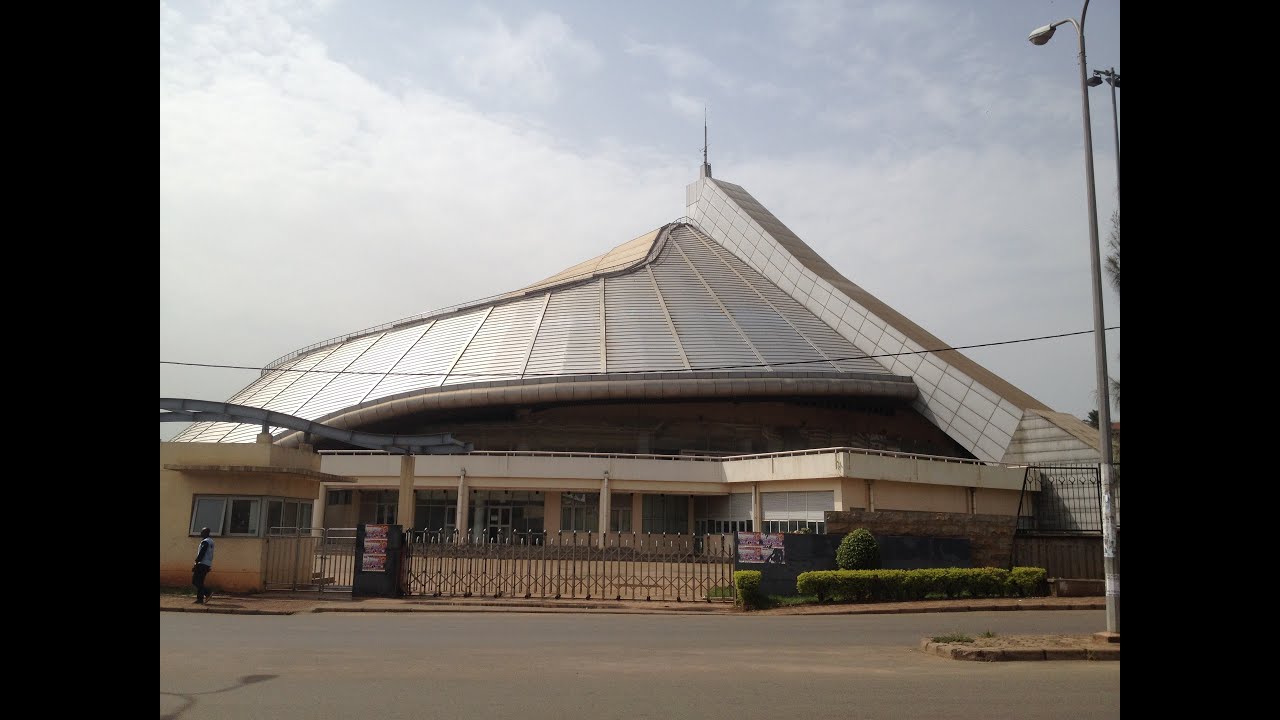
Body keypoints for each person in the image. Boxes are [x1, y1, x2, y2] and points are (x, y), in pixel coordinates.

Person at [192, 527, 215, 603]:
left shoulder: (205, 542)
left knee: (195, 581)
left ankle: (207, 592)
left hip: (202, 563)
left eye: (202, 532)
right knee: (200, 581)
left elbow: (202, 553)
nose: (201, 533)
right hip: (208, 563)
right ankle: (200, 599)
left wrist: (196, 562)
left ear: (206, 533)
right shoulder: (211, 541)